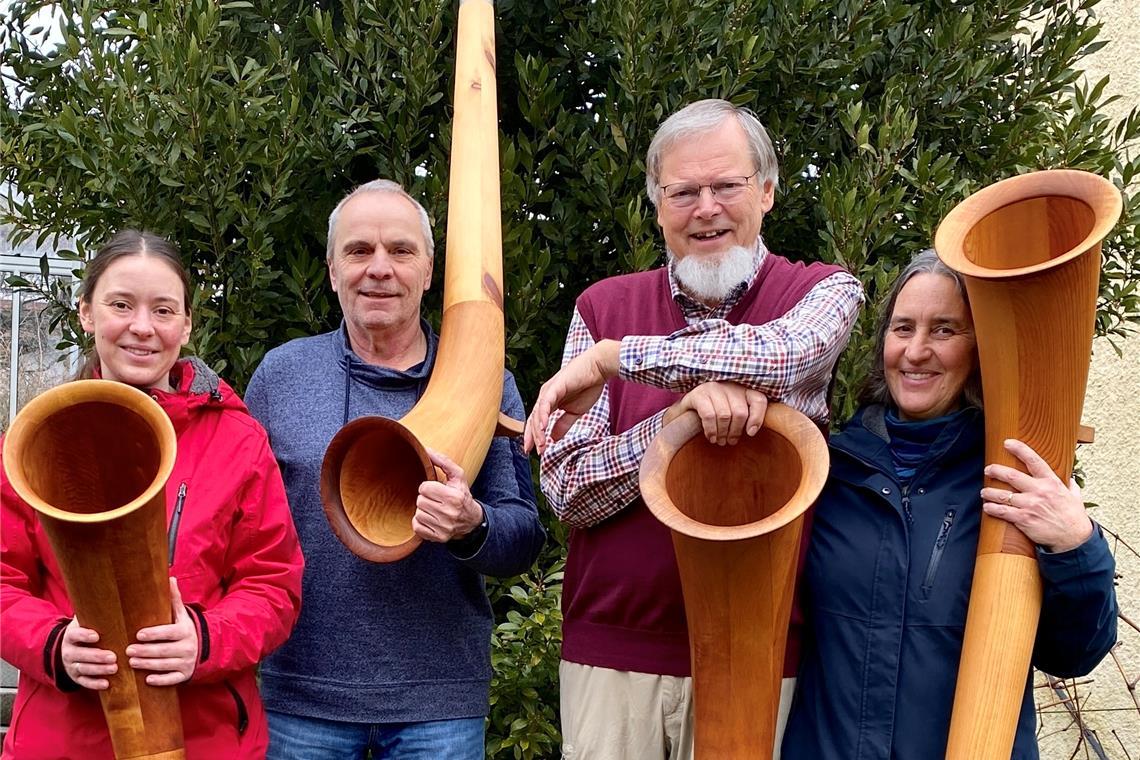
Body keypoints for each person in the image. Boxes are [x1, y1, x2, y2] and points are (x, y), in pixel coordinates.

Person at [523, 98, 864, 759]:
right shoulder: (602, 306)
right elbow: (565, 488)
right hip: (613, 658)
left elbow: (779, 356)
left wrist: (618, 359)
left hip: (759, 655)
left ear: (765, 191)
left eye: (726, 185)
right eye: (683, 191)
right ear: (658, 207)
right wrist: (673, 425)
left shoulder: (823, 293)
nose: (706, 207)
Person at [244, 179, 546, 759]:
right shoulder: (280, 376)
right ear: (332, 271)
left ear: (429, 271)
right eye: (359, 251)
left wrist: (471, 524)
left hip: (439, 707)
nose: (379, 268)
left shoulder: (486, 381)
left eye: (400, 251)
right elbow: (243, 525)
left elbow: (524, 538)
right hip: (302, 700)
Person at [781, 249, 1118, 759]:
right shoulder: (827, 475)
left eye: (944, 330)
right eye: (902, 328)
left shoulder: (1011, 482)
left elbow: (1075, 652)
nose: (916, 351)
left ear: (982, 348)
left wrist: (1076, 545)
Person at [0, 230, 304, 758]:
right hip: (62, 739)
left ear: (186, 325)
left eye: (164, 311)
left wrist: (204, 640)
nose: (142, 327)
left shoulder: (238, 440)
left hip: (206, 740)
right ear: (86, 312)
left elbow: (273, 585)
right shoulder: (34, 442)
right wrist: (54, 646)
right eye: (121, 305)